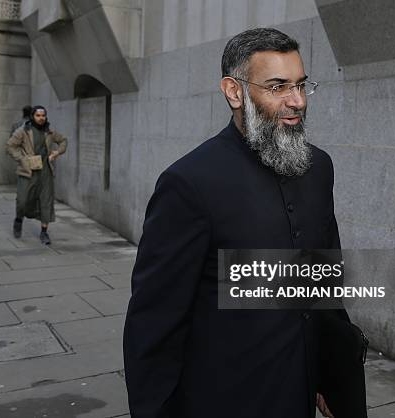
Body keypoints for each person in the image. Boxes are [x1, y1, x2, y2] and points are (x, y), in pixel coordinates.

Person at [123, 28, 367, 418]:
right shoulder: (188, 184)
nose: (297, 101)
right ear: (234, 91)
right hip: (225, 398)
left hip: (300, 389)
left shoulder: (319, 167)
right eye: (278, 87)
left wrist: (331, 370)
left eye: (302, 85)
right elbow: (154, 323)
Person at [6, 106, 67, 245]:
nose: (41, 118)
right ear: (33, 116)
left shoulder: (49, 131)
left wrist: (57, 153)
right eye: (38, 115)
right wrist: (22, 159)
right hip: (28, 171)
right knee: (22, 200)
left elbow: (63, 140)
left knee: (46, 201)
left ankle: (44, 232)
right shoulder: (23, 131)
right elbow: (10, 146)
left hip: (46, 171)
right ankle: (19, 219)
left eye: (43, 115)